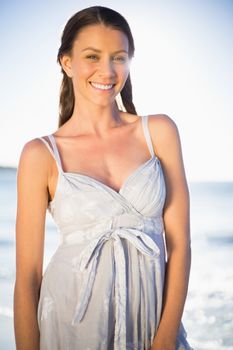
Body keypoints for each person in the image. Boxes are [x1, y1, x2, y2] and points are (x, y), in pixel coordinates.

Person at [14, 6, 193, 350]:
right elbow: (27, 279)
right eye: (92, 56)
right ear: (67, 63)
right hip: (71, 324)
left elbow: (180, 246)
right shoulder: (40, 154)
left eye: (119, 58)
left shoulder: (158, 132)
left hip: (152, 320)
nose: (107, 71)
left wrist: (166, 338)